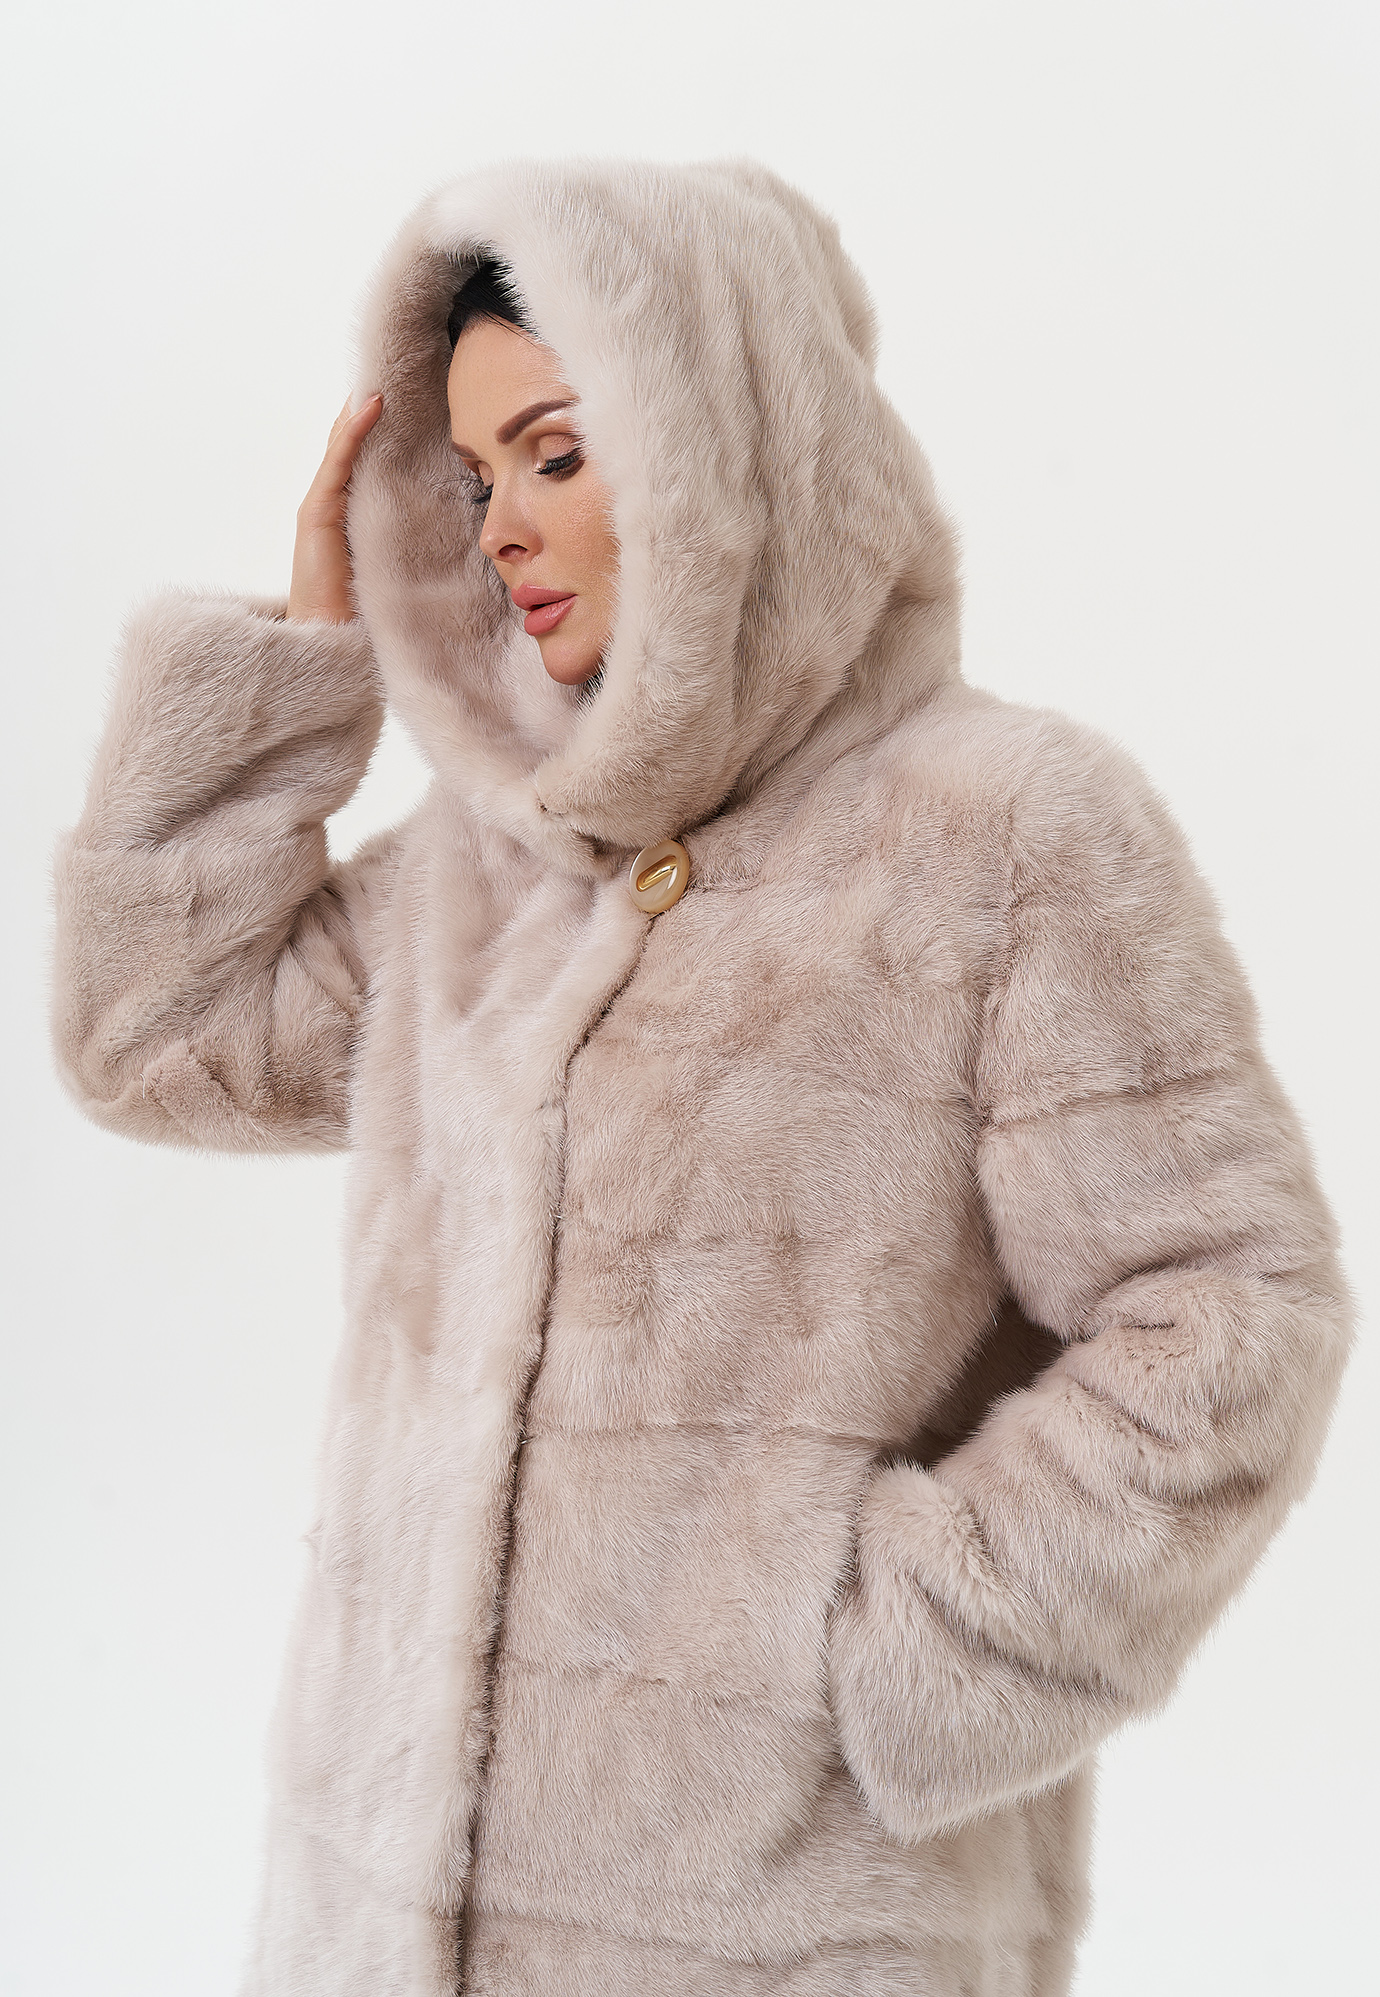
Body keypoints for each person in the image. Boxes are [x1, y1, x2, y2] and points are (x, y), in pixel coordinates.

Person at [51, 159, 1352, 1997]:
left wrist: (907, 1655)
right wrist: (298, 673)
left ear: (722, 455)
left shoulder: (1002, 832)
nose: (500, 527)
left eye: (556, 455)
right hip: (375, 1926)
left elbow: (1230, 1306)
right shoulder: (493, 862)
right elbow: (163, 1037)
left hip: (779, 1926)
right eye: (474, 475)